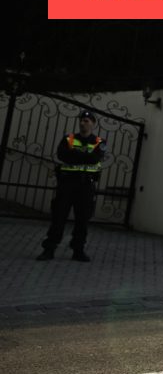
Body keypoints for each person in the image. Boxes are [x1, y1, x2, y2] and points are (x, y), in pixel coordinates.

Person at [38, 109, 105, 262]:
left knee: (82, 219)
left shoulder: (99, 142)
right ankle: (49, 249)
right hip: (67, 184)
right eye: (81, 120)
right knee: (59, 217)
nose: (83, 123)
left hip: (86, 186)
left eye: (86, 121)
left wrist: (75, 154)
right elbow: (62, 155)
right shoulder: (68, 139)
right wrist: (83, 156)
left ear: (93, 124)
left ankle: (78, 250)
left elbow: (94, 159)